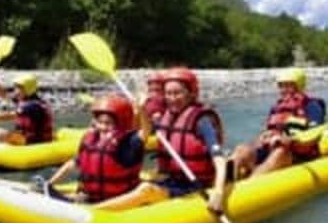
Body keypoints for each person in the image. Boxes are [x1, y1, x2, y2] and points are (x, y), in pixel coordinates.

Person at [91, 67, 228, 214]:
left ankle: (91, 212)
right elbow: (144, 130)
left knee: (146, 190)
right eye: (169, 93)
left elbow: (219, 160)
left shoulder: (201, 121)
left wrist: (218, 192)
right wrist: (141, 110)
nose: (172, 98)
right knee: (134, 184)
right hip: (171, 179)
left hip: (194, 184)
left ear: (191, 94)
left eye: (178, 93)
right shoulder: (166, 116)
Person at [44, 94, 150, 204]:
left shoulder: (128, 143)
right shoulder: (91, 139)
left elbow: (146, 132)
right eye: (100, 122)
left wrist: (141, 109)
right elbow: (72, 164)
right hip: (90, 196)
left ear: (121, 124)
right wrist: (50, 183)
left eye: (108, 123)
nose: (103, 127)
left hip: (119, 200)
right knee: (76, 197)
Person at [225, 67, 325, 183]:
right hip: (271, 150)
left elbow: (314, 135)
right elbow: (272, 130)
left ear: (299, 86)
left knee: (279, 152)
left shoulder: (311, 105)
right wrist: (262, 138)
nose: (283, 90)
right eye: (281, 86)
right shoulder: (276, 108)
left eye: (288, 85)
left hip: (296, 154)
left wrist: (289, 140)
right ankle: (228, 184)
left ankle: (248, 187)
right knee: (241, 149)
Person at [0, 72, 54, 145]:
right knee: (5, 134)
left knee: (0, 133)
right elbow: (4, 95)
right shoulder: (25, 97)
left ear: (27, 89)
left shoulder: (32, 105)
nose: (15, 90)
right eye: (16, 87)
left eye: (19, 88)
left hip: (38, 141)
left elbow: (10, 115)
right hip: (28, 137)